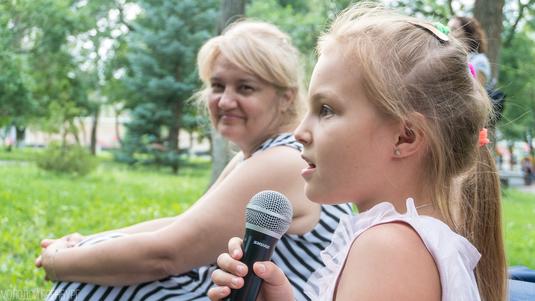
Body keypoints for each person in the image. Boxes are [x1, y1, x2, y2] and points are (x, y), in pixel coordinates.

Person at [35, 20, 353, 301]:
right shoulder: (258, 155)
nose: (225, 100)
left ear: (285, 97)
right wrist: (85, 242)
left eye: (245, 87)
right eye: (217, 86)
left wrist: (57, 263)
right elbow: (186, 223)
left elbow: (165, 255)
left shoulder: (283, 161)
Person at [209, 4, 507, 301]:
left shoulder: (387, 250)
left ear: (405, 137)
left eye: (326, 110)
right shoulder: (408, 243)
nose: (300, 132)